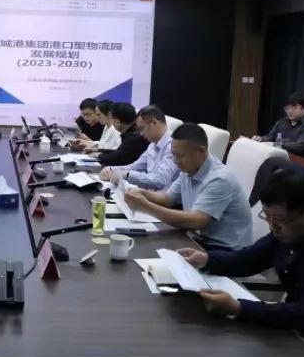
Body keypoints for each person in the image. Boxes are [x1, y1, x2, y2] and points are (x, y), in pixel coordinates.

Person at [179, 170, 304, 355]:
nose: (273, 228)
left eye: (279, 220)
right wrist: (207, 260)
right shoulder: (290, 229)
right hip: (296, 329)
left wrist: (239, 308)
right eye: (267, 217)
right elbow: (249, 259)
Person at [123, 123, 252, 250]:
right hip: (198, 240)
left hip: (226, 250)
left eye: (180, 155)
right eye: (173, 154)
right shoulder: (188, 168)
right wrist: (142, 193)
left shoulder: (220, 179)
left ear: (201, 151)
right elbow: (168, 198)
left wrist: (146, 206)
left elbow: (196, 221)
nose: (175, 161)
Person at [99, 105, 179, 190]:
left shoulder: (173, 145)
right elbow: (135, 166)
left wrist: (127, 174)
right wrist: (112, 169)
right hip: (149, 193)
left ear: (154, 123)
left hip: (163, 196)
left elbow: (160, 180)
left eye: (141, 128)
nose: (141, 134)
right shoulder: (152, 145)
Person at [253, 92, 304, 158]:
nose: (290, 111)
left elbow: (299, 147)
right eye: (287, 108)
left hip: (302, 160)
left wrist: (277, 144)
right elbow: (271, 137)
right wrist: (260, 139)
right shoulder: (282, 122)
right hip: (282, 156)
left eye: (293, 108)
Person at [97, 102, 149, 166]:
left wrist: (98, 155)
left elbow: (116, 159)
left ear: (118, 121)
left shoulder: (133, 137)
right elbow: (119, 152)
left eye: (113, 119)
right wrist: (98, 150)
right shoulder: (131, 133)